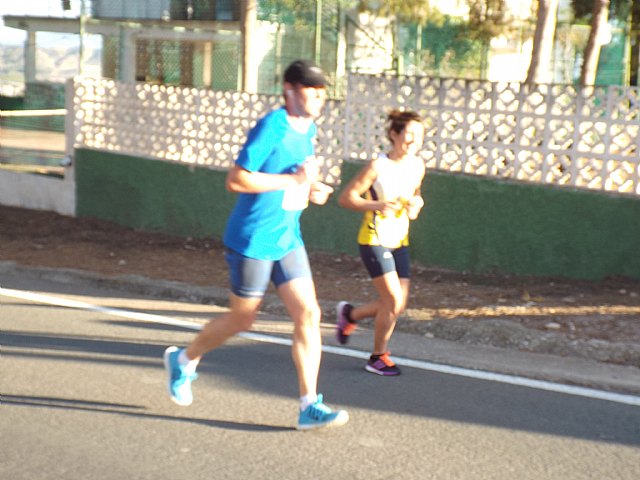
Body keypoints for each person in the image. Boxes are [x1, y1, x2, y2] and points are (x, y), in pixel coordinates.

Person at [163, 59, 348, 430]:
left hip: (287, 237)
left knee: (309, 314)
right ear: (289, 90)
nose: (318, 98)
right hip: (253, 239)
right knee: (242, 318)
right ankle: (183, 360)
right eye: (310, 90)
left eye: (322, 91)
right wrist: (292, 181)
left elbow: (292, 176)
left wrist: (312, 188)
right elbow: (237, 180)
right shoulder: (273, 126)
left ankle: (308, 405)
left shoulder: (308, 128)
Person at [336, 109, 426, 376]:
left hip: (400, 240)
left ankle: (350, 315)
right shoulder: (378, 166)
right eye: (409, 134)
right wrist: (377, 205)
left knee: (397, 304)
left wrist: (416, 204)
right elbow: (347, 198)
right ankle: (377, 357)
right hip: (374, 238)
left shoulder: (418, 166)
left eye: (420, 135)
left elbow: (416, 195)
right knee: (393, 300)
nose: (414, 141)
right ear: (394, 134)